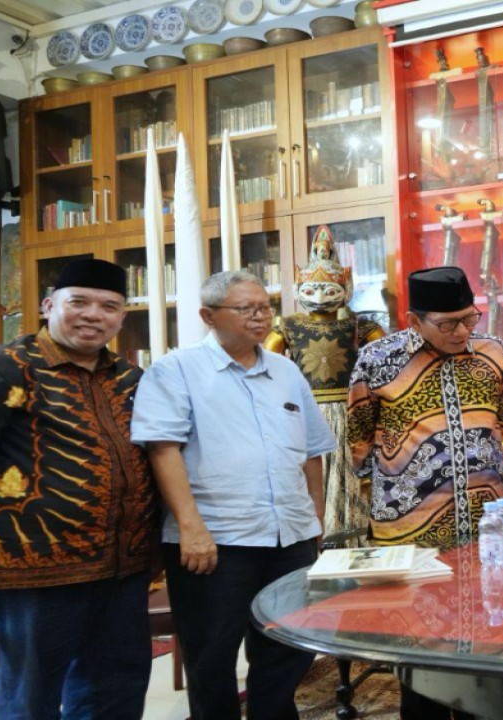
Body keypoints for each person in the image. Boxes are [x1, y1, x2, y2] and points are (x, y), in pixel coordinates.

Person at [0, 258, 156, 719]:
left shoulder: (130, 379)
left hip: (121, 571)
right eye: (77, 302)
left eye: (109, 306)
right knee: (30, 698)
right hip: (30, 574)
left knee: (116, 692)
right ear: (48, 306)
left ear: (123, 317)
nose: (93, 315)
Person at [131, 270, 336, 720]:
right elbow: (162, 450)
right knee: (212, 654)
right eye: (246, 309)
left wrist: (314, 521)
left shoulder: (285, 371)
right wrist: (190, 527)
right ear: (209, 315)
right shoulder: (175, 370)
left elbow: (313, 452)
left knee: (288, 644)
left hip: (290, 537)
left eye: (265, 307)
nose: (260, 317)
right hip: (217, 540)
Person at [347, 266, 503, 549]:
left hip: (488, 519)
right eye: (447, 324)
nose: (461, 331)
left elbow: (502, 418)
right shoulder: (377, 359)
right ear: (414, 321)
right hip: (407, 522)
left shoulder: (495, 352)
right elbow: (359, 435)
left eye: (469, 319)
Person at [264, 230, 385, 543]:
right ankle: (313, 536)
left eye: (327, 285)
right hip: (302, 413)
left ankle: (353, 535)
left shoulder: (364, 326)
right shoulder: (287, 327)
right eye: (313, 286)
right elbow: (266, 369)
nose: (320, 293)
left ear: (344, 285)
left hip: (352, 412)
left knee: (351, 475)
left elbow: (386, 368)